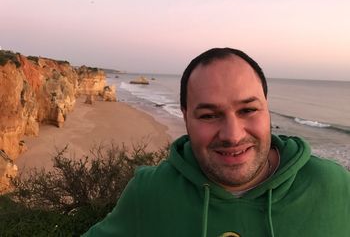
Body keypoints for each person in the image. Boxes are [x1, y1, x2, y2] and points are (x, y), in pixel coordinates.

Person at [83, 48, 350, 237]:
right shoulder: (149, 191)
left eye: (247, 110)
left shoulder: (333, 185)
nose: (232, 135)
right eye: (209, 115)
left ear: (268, 109)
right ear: (186, 118)